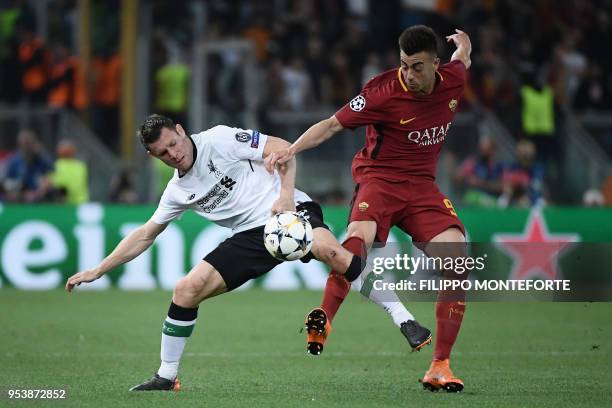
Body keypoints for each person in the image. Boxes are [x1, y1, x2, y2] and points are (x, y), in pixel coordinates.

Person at [64, 114, 424, 392]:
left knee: (332, 251)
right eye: (162, 153)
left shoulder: (219, 139)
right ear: (152, 155)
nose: (173, 154)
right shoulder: (176, 191)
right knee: (185, 290)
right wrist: (99, 268)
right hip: (251, 237)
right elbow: (145, 234)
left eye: (173, 143)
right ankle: (166, 376)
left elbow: (282, 147)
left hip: (285, 211)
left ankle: (403, 319)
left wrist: (284, 195)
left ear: (179, 128)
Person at [266, 25, 472, 392]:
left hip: (422, 188)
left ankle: (440, 365)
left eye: (417, 67)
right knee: (358, 240)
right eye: (404, 65)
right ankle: (324, 318)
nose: (409, 74)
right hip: (378, 180)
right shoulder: (381, 92)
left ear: (436, 64)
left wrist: (466, 45)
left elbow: (463, 61)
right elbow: (331, 125)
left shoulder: (453, 80)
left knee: (457, 261)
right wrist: (292, 149)